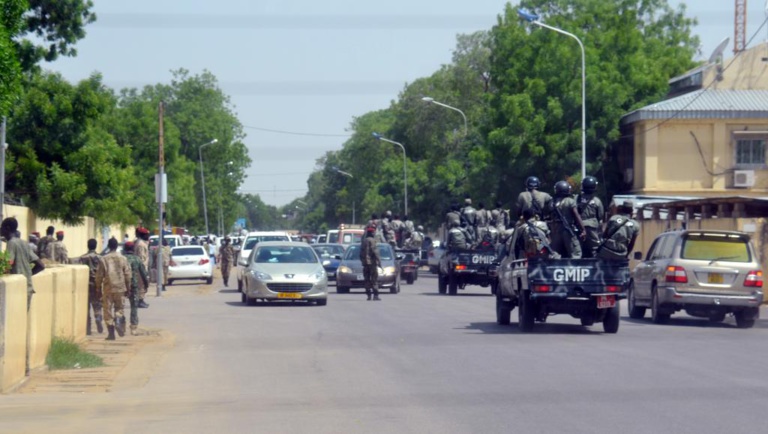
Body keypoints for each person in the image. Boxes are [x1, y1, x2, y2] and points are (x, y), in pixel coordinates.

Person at [1, 218, 45, 308]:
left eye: (2, 228)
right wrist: (26, 276)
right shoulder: (24, 243)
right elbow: (41, 265)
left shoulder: (11, 243)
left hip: (17, 290)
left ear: (7, 228)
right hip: (27, 288)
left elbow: (8, 264)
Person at [96, 237, 131, 340]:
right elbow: (128, 275)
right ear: (116, 247)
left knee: (107, 310)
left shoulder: (104, 259)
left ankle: (111, 333)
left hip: (108, 288)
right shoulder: (123, 258)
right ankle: (119, 321)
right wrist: (128, 288)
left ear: (108, 246)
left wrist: (98, 288)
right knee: (119, 308)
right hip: (120, 287)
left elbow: (99, 276)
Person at [547, 181, 587, 259]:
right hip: (568, 230)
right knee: (576, 253)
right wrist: (583, 229)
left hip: (555, 230)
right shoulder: (570, 201)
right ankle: (574, 269)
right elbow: (576, 215)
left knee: (554, 252)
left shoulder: (552, 202)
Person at [123, 241, 149, 336]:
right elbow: (143, 273)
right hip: (134, 285)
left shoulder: (122, 259)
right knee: (134, 306)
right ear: (133, 249)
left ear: (125, 249)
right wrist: (146, 284)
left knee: (119, 306)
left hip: (122, 286)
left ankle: (120, 323)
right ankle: (133, 328)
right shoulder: (137, 259)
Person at [79, 239, 104, 335]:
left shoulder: (82, 258)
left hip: (86, 284)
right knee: (97, 304)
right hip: (97, 284)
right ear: (96, 245)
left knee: (86, 306)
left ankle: (88, 328)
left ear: (87, 245)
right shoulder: (101, 258)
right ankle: (98, 318)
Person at [577, 176, 605, 258]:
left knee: (578, 248)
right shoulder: (596, 200)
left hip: (578, 226)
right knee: (595, 248)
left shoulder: (577, 198)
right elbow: (600, 215)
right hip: (592, 227)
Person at [360, 225, 381, 301]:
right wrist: (379, 262)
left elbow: (361, 253)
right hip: (372, 263)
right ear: (371, 233)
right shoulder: (372, 241)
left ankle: (368, 295)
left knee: (367, 279)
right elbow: (375, 251)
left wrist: (363, 261)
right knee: (374, 279)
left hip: (365, 263)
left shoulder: (363, 241)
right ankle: (375, 295)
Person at [134, 227, 150, 308]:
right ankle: (140, 300)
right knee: (141, 284)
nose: (148, 236)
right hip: (141, 268)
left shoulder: (142, 243)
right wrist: (143, 269)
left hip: (142, 267)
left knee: (142, 284)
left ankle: (141, 299)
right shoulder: (141, 244)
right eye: (146, 234)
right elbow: (141, 258)